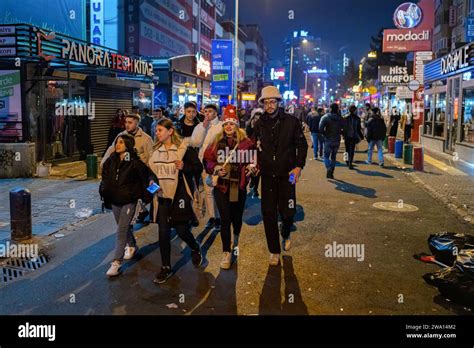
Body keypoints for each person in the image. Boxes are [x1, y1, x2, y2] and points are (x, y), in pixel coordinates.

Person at [252, 86, 308, 266]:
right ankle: (274, 251)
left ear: (278, 102)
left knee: (288, 210)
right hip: (267, 175)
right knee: (268, 213)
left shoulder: (291, 121)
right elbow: (250, 146)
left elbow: (302, 145)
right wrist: (253, 164)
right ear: (262, 104)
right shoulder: (258, 123)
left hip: (289, 174)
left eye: (272, 101)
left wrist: (298, 167)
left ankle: (286, 231)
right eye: (266, 102)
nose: (269, 105)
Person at [148, 119, 203, 284]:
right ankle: (166, 267)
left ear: (170, 131)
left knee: (181, 230)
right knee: (163, 233)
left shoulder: (184, 149)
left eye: (159, 130)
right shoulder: (155, 150)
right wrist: (151, 183)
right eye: (156, 131)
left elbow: (198, 168)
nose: (156, 133)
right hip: (162, 198)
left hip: (179, 196)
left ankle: (194, 247)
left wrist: (185, 167)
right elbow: (150, 172)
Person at [203, 105, 256, 270]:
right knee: (225, 219)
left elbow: (253, 160)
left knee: (236, 217)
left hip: (236, 186)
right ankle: (226, 251)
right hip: (222, 186)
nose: (228, 127)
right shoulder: (216, 141)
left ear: (237, 124)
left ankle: (236, 235)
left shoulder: (246, 143)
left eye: (231, 124)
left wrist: (252, 167)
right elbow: (207, 160)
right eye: (226, 124)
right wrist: (215, 168)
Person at [100, 134, 153, 277]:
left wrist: (151, 195)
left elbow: (149, 177)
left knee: (121, 231)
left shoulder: (135, 162)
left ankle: (116, 263)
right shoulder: (111, 161)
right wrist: (104, 192)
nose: (117, 145)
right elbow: (104, 178)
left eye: (121, 143)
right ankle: (132, 245)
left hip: (129, 200)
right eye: (117, 142)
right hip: (114, 200)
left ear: (128, 145)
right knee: (122, 227)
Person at [189, 104, 222, 230]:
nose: (207, 114)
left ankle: (219, 216)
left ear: (215, 113)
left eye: (210, 111)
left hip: (217, 163)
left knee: (217, 190)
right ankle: (212, 217)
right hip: (203, 163)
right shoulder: (200, 126)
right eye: (205, 111)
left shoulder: (221, 126)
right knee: (208, 191)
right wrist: (203, 127)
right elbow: (196, 142)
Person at [319, 103, 344, 179]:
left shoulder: (325, 117)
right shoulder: (340, 118)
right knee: (333, 157)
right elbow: (344, 128)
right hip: (337, 139)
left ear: (330, 108)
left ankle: (329, 168)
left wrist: (324, 134)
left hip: (328, 139)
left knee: (326, 156)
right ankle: (331, 171)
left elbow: (320, 128)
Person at [246, 108, 264, 198]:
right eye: (255, 118)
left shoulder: (265, 127)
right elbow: (246, 136)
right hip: (251, 152)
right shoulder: (249, 125)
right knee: (252, 169)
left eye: (259, 118)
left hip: (260, 153)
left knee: (258, 171)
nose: (257, 120)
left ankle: (255, 188)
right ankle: (252, 184)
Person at [343, 105, 364, 170]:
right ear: (355, 110)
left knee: (346, 149)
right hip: (354, 136)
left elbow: (343, 128)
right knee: (351, 150)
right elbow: (358, 128)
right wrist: (361, 136)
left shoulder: (345, 117)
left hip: (347, 136)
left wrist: (343, 135)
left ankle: (346, 161)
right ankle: (350, 163)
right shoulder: (357, 118)